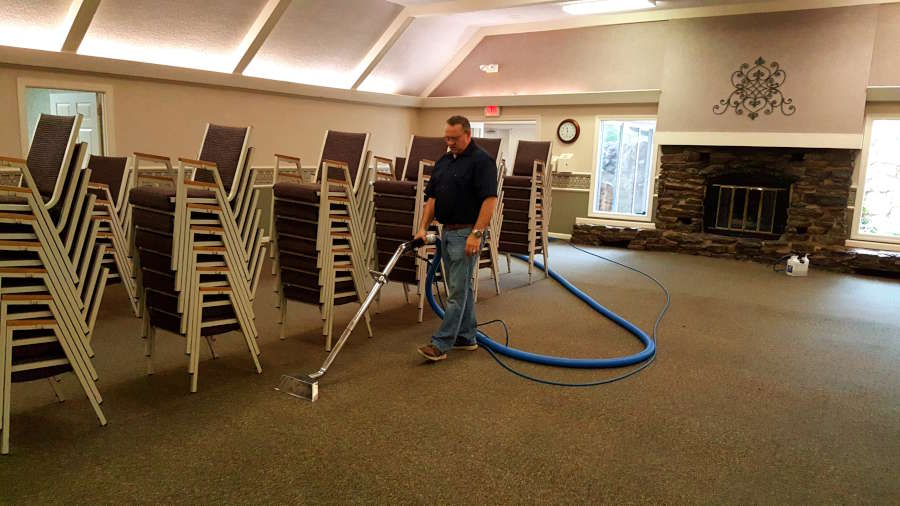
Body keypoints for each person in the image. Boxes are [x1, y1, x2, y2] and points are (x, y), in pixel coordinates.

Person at [415, 115, 498, 362]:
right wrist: (422, 227)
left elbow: (489, 200)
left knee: (457, 291)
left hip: (467, 232)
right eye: (447, 137)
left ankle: (441, 344)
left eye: (454, 138)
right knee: (459, 287)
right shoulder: (443, 161)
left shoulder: (482, 161)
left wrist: (477, 233)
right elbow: (433, 199)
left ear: (468, 135)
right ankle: (466, 336)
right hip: (447, 231)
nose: (449, 142)